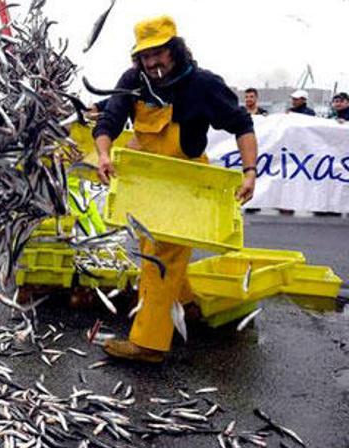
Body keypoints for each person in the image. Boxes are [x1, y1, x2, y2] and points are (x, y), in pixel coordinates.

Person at [93, 15, 257, 364]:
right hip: (147, 180)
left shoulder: (202, 84)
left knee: (160, 258)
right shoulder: (133, 80)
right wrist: (104, 154)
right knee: (148, 243)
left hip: (185, 182)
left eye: (159, 53)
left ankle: (148, 343)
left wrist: (250, 171)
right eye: (145, 56)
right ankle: (187, 306)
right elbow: (110, 119)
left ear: (175, 49)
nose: (152, 63)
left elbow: (242, 124)